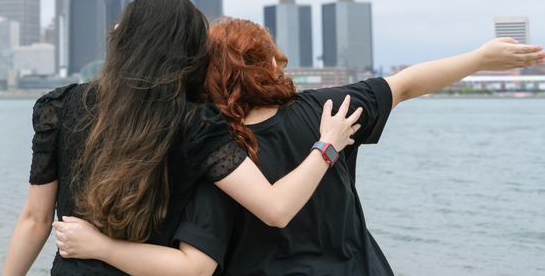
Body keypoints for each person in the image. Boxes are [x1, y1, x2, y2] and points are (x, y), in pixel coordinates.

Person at [53, 17, 545, 275]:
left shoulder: (209, 142)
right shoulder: (326, 110)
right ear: (267, 64)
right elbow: (409, 83)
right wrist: (480, 58)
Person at [1, 0, 362, 275]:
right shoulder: (197, 126)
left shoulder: (60, 108)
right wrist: (328, 146)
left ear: (121, 37)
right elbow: (276, 209)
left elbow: (35, 220)